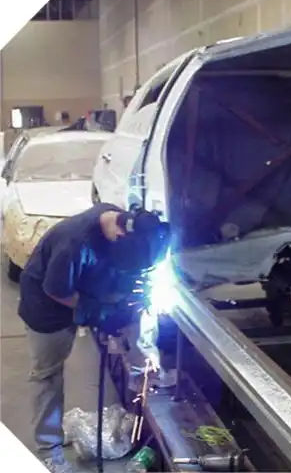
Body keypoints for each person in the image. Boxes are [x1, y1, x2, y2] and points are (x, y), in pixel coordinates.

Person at [18, 203, 170, 473]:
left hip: (87, 287)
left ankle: (142, 405)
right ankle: (49, 450)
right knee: (48, 376)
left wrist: (128, 298)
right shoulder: (73, 243)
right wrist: (95, 311)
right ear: (120, 238)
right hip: (47, 308)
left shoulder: (122, 224)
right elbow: (56, 291)